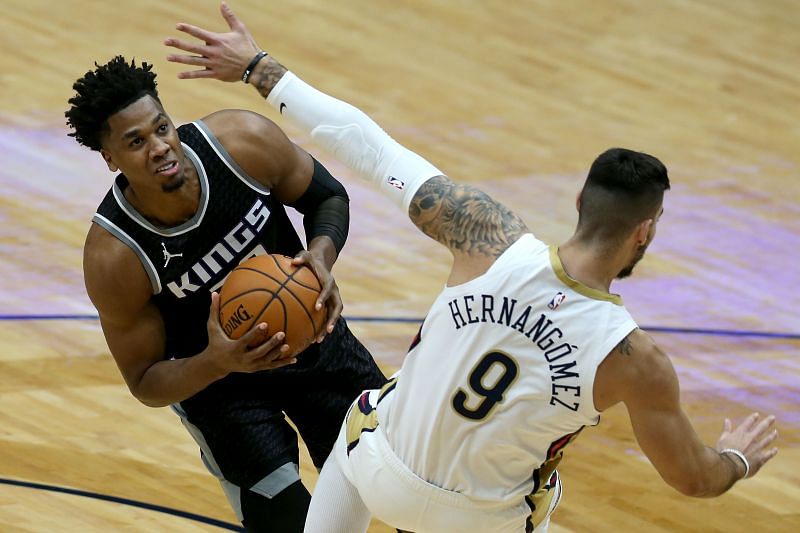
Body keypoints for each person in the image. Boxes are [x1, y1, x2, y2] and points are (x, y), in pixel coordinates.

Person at [165, 4, 780, 532]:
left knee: (366, 417)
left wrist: (257, 68)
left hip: (378, 472)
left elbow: (372, 148)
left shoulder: (487, 235)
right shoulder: (634, 361)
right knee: (541, 496)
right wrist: (739, 459)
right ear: (645, 231)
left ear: (577, 203)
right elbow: (694, 479)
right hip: (478, 523)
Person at [66, 51, 388, 532]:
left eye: (161, 127)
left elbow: (327, 196)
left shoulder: (241, 144)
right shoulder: (116, 257)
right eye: (136, 142)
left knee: (403, 483)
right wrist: (218, 361)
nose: (159, 147)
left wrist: (320, 256)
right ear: (110, 158)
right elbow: (144, 380)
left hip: (314, 345)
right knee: (284, 523)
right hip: (218, 389)